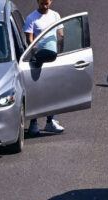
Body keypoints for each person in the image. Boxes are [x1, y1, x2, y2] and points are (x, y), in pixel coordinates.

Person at [24, 0, 64, 135]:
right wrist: (36, 52)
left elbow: (61, 35)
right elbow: (29, 39)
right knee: (36, 91)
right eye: (41, 2)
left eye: (46, 2)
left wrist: (62, 52)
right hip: (38, 60)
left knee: (51, 91)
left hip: (52, 58)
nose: (44, 4)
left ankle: (50, 122)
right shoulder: (31, 18)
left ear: (50, 1)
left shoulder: (55, 16)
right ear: (37, 1)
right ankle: (33, 124)